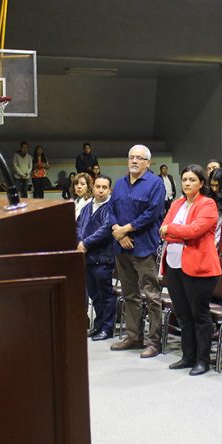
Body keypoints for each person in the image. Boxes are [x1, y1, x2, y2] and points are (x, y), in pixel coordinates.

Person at [160, 165, 222, 375]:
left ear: (201, 183)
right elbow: (163, 229)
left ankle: (203, 360)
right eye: (184, 179)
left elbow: (195, 231)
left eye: (192, 180)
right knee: (183, 314)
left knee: (200, 315)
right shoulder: (177, 203)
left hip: (199, 267)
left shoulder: (208, 204)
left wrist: (173, 231)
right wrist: (176, 232)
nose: (187, 183)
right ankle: (188, 356)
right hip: (174, 265)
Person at [110, 145, 166, 357]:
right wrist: (118, 231)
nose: (134, 161)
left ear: (148, 162)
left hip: (143, 247)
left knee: (151, 296)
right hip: (121, 247)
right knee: (130, 294)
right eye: (131, 157)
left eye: (139, 158)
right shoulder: (120, 184)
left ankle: (154, 342)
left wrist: (128, 228)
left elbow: (152, 213)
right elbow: (110, 210)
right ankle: (134, 336)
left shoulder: (155, 184)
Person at [77, 175, 117, 341]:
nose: (100, 190)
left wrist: (85, 243)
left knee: (105, 295)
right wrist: (79, 241)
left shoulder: (110, 208)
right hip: (87, 258)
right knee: (94, 294)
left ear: (109, 190)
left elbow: (106, 230)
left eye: (104, 187)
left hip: (103, 258)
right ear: (93, 187)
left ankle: (107, 329)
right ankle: (99, 325)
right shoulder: (87, 207)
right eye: (98, 186)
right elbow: (78, 225)